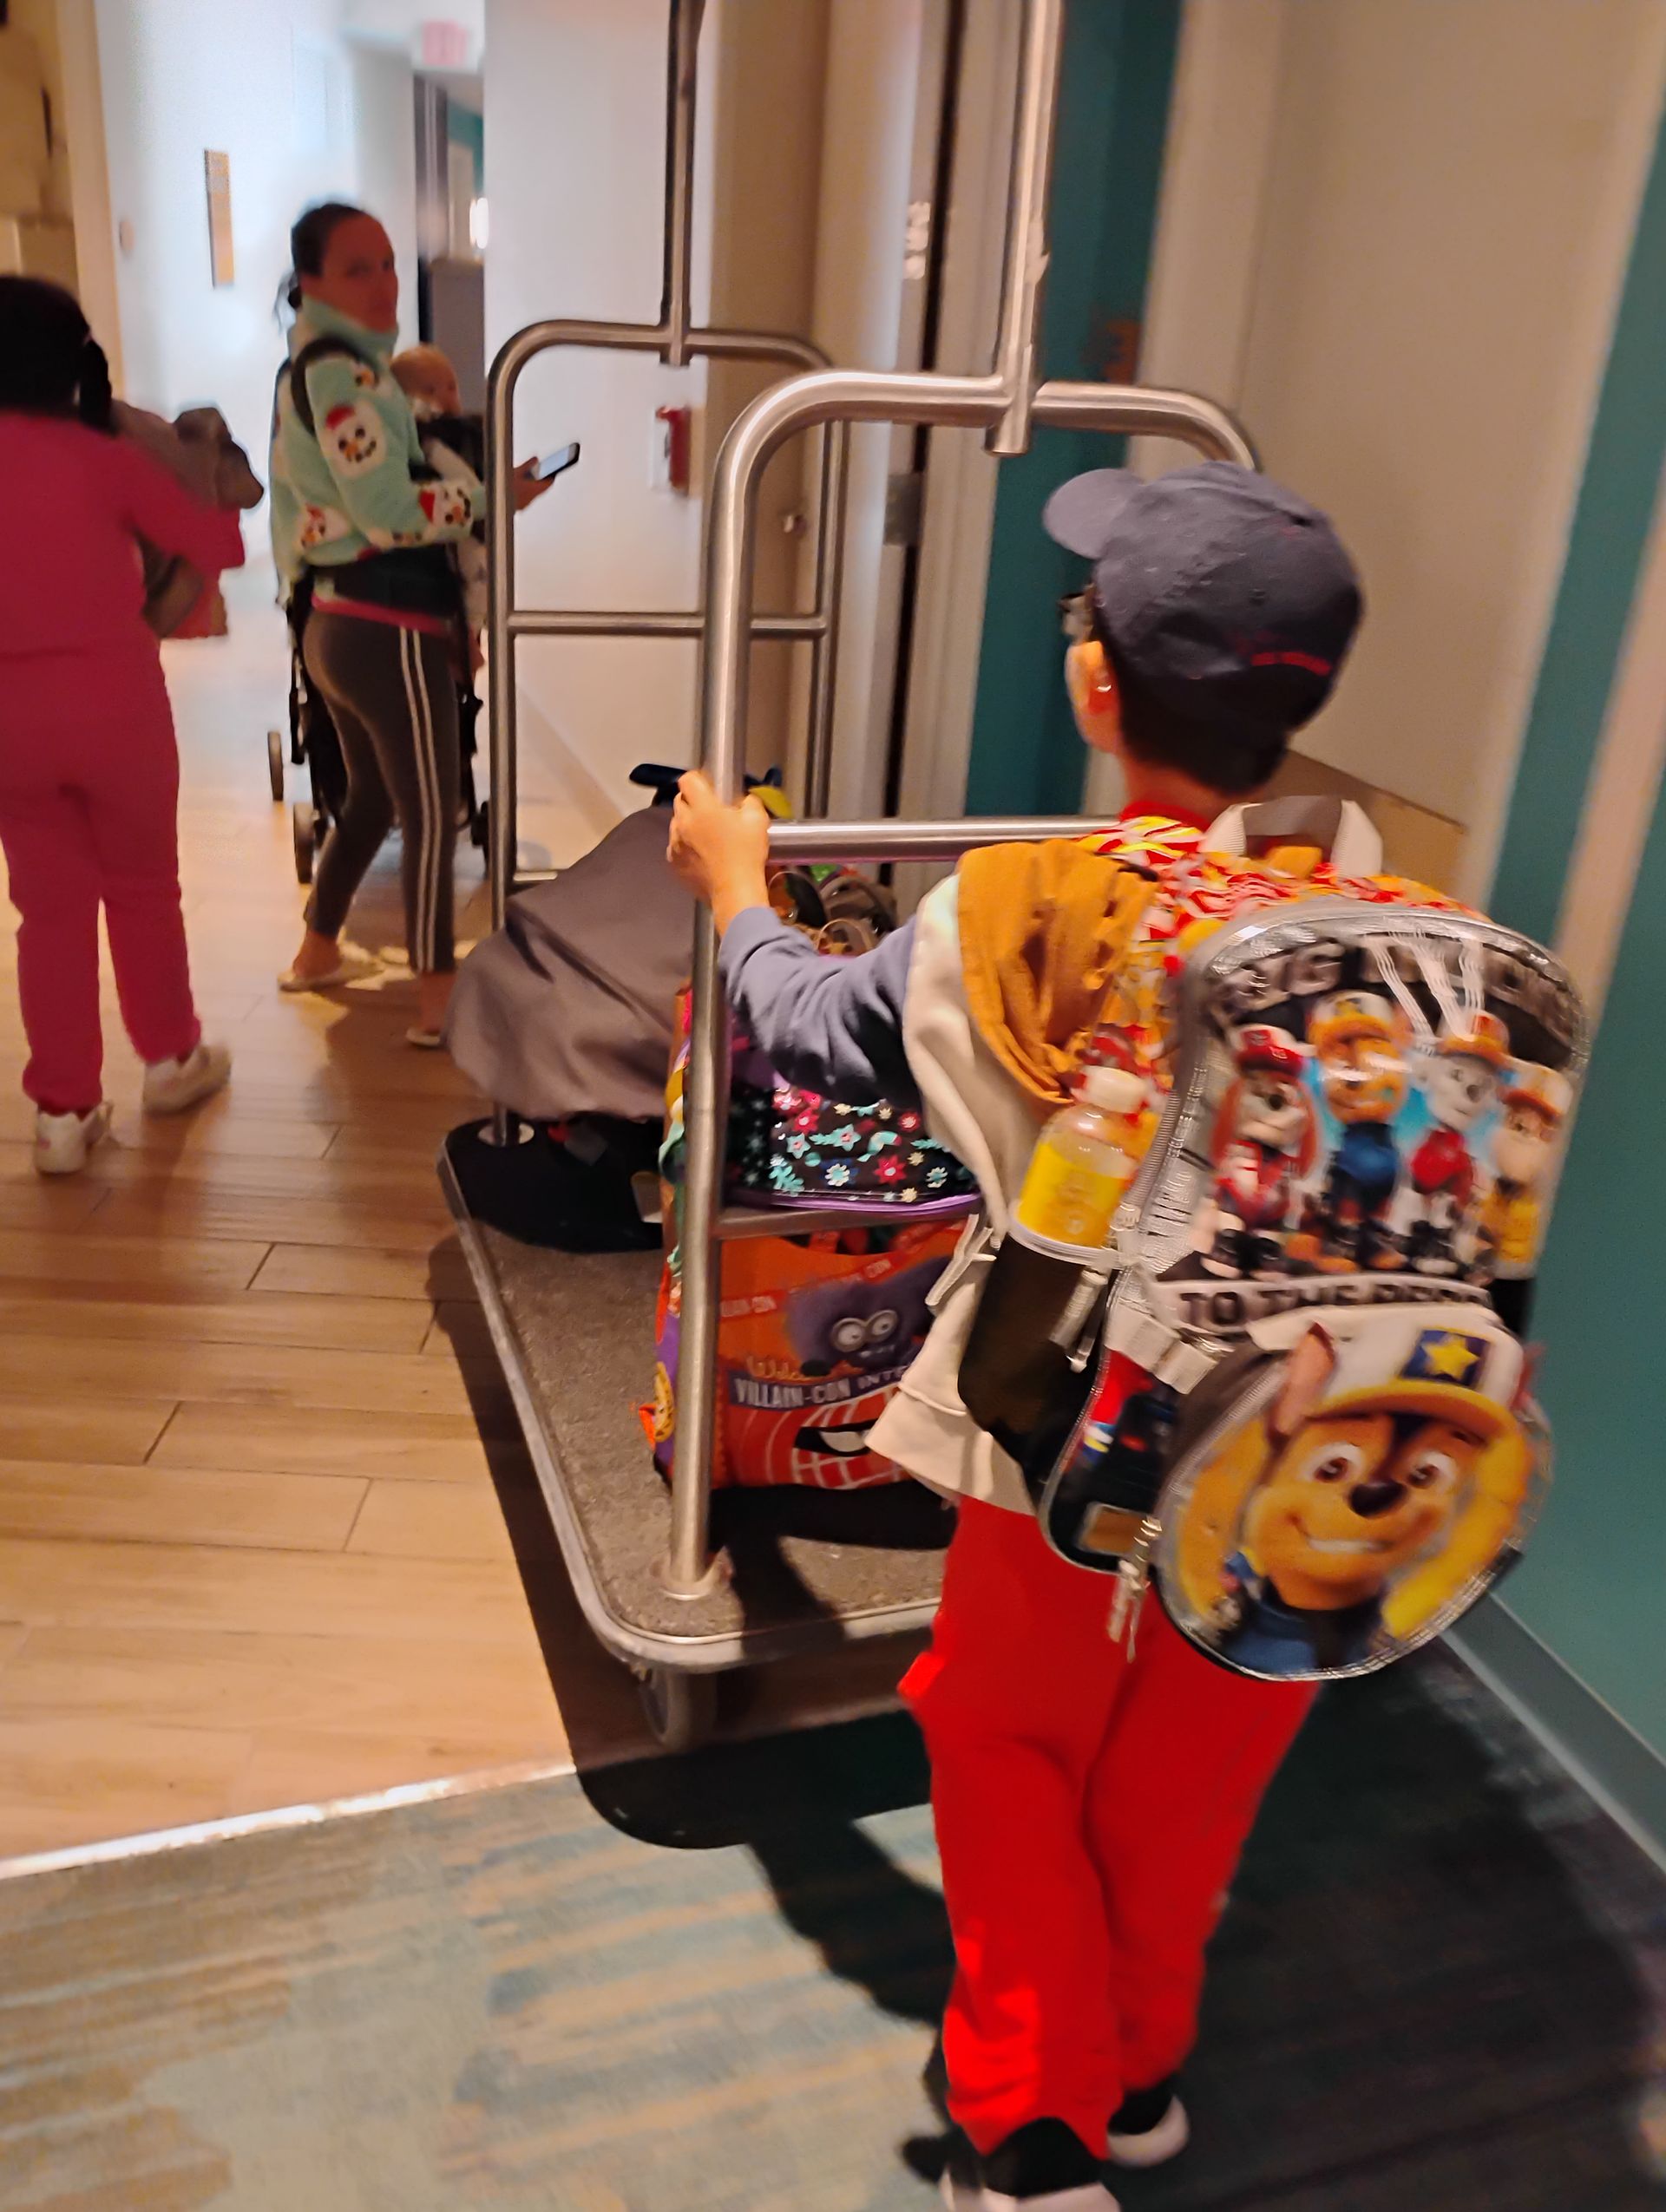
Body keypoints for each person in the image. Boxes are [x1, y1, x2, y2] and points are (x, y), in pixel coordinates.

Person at [667, 462, 1367, 2211]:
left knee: (1006, 1737)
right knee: (1197, 1751)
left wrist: (733, 877)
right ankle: (1135, 2074)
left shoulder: (1022, 909)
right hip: (1299, 1442)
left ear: (1098, 687)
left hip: (1066, 1419)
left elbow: (804, 1026)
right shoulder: (1379, 901)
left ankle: (1032, 2132)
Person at [270, 202, 550, 1045]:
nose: (386, 282)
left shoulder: (330, 369)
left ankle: (318, 951)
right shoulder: (346, 376)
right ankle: (438, 998)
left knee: (370, 803)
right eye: (360, 268)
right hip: (385, 620)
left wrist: (482, 487)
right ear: (311, 282)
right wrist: (487, 494)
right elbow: (390, 511)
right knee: (433, 809)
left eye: (389, 263)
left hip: (337, 625)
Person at [0, 277, 242, 1175]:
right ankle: (171, 1057)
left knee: (46, 912)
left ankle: (63, 1113)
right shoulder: (100, 456)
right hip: (116, 705)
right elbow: (213, 544)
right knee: (143, 885)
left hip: (8, 724)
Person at [390, 343, 488, 666]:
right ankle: (468, 638)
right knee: (474, 584)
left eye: (451, 386)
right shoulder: (422, 442)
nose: (445, 397)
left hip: (467, 535)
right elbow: (468, 486)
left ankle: (471, 635)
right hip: (450, 542)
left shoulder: (467, 435)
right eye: (429, 390)